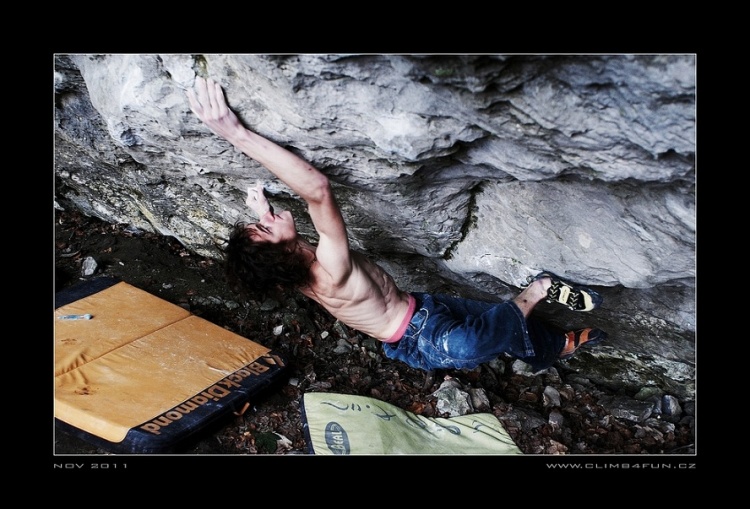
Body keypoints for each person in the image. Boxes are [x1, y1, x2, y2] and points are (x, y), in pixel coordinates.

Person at [186, 76, 606, 373]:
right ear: (280, 252)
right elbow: (316, 188)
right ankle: (538, 290)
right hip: (417, 338)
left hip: (417, 309)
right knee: (471, 345)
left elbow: (272, 254)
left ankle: (552, 348)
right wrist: (236, 134)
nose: (267, 220)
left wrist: (264, 213)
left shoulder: (290, 270)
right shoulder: (330, 270)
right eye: (264, 229)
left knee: (496, 326)